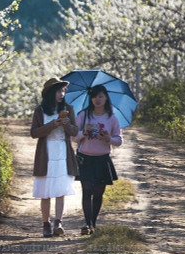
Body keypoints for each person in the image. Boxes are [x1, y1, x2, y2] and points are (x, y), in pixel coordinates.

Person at [30, 77, 79, 237]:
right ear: (51, 93)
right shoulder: (40, 110)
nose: (62, 94)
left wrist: (65, 124)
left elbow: (74, 131)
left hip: (63, 152)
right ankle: (46, 223)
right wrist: (53, 124)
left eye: (63, 91)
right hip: (46, 153)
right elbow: (34, 133)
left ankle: (58, 222)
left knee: (60, 189)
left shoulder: (68, 108)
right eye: (59, 91)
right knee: (45, 190)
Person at [73, 85, 122, 235]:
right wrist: (83, 133)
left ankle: (93, 223)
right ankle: (87, 224)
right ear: (91, 98)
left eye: (100, 96)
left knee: (98, 193)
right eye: (94, 97)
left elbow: (118, 140)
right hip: (85, 158)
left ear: (106, 97)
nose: (97, 100)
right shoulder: (83, 115)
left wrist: (108, 139)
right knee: (87, 191)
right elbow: (73, 137)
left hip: (102, 159)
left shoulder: (111, 117)